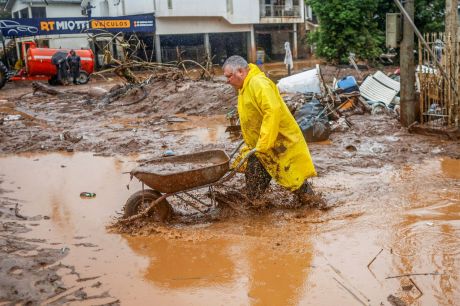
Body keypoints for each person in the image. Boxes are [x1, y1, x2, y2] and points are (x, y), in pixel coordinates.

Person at [222, 55, 319, 206]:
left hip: (278, 144)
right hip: (260, 147)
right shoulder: (245, 87)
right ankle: (258, 212)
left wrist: (264, 142)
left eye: (229, 76)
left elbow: (272, 111)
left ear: (240, 71)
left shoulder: (258, 84)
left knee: (295, 180)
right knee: (254, 190)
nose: (227, 81)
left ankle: (315, 207)